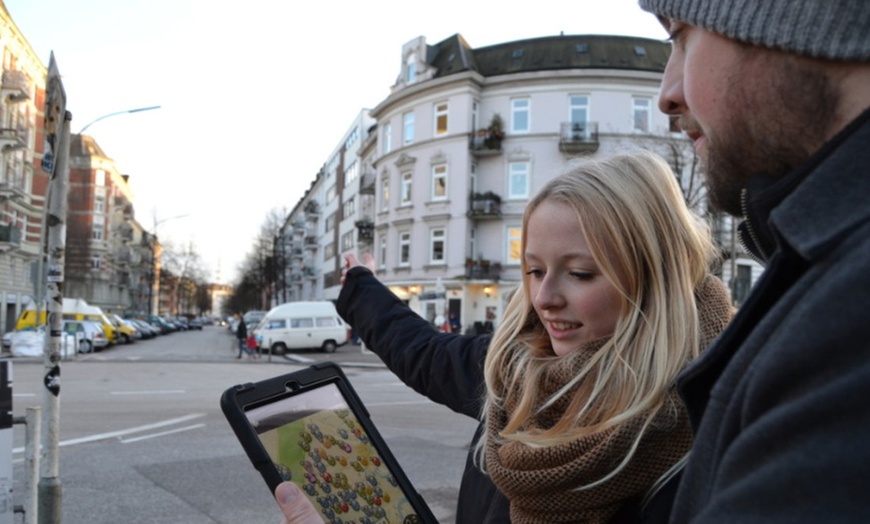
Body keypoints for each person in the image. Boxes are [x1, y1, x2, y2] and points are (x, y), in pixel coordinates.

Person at [273, 151, 734, 523]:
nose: (544, 298)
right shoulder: (514, 372)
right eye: (534, 270)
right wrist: (361, 287)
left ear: (655, 278)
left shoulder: (718, 435)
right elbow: (424, 352)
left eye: (579, 273)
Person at [631, 1, 870, 521]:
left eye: (681, 37)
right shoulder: (821, 277)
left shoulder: (846, 323)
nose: (667, 96)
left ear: (795, 22)